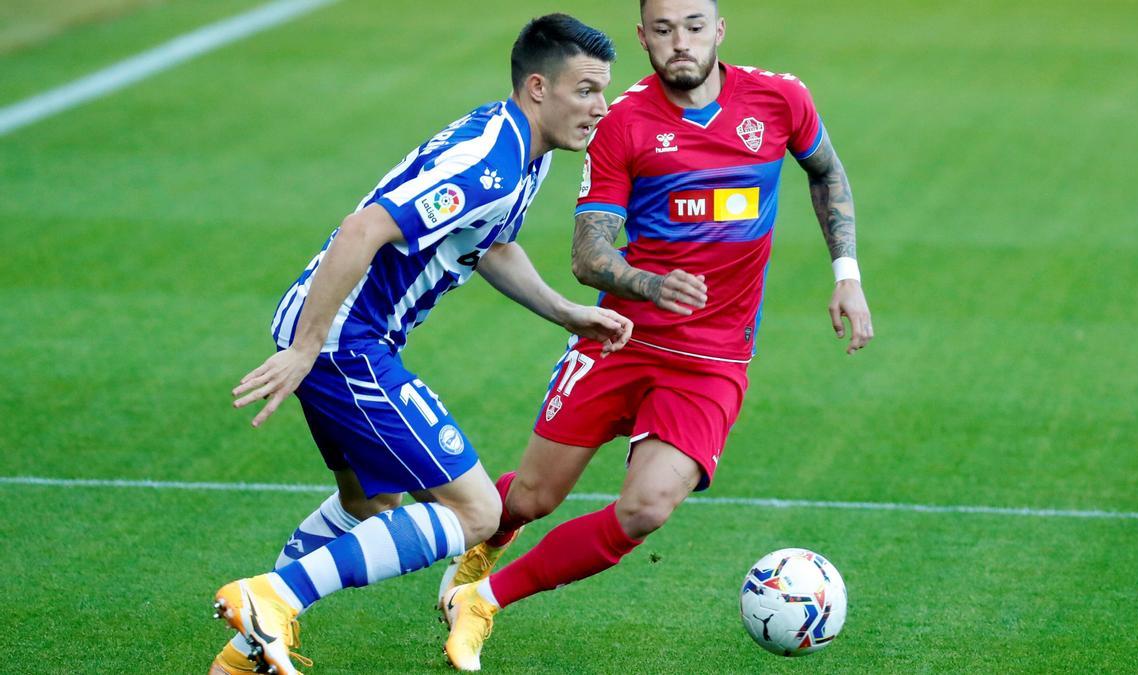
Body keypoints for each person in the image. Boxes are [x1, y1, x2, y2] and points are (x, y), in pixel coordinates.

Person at [439, 0, 874, 670]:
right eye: (664, 29)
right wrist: (649, 283)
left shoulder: (780, 100)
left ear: (719, 29)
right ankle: (479, 535)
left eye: (695, 25)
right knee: (531, 497)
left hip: (712, 359)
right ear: (643, 37)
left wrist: (847, 273)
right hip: (620, 337)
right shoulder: (622, 123)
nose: (681, 42)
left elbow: (826, 170)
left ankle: (485, 601)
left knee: (646, 508)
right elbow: (588, 254)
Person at [207, 15, 627, 675]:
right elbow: (361, 230)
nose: (600, 107)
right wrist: (308, 347)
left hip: (333, 334)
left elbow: (485, 242)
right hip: (346, 341)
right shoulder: (491, 161)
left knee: (367, 503)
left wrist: (564, 312)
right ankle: (271, 596)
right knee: (477, 509)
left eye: (604, 91)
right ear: (540, 87)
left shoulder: (523, 148)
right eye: (587, 91)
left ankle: (243, 655)